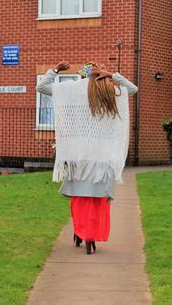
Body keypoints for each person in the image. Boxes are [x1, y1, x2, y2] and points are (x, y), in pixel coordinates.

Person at [36, 62, 138, 255]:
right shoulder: (109, 95)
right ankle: (91, 236)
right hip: (102, 160)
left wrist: (56, 70)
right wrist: (111, 75)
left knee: (80, 199)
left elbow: (41, 87)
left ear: (81, 78)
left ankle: (80, 231)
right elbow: (132, 89)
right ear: (98, 79)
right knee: (98, 201)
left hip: (78, 159)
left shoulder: (70, 93)